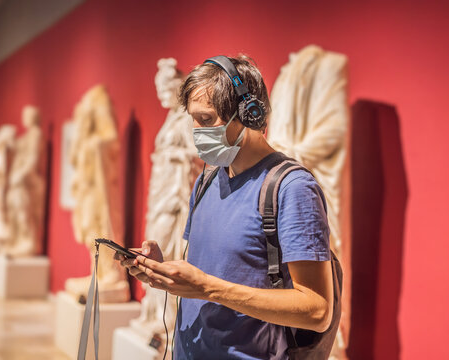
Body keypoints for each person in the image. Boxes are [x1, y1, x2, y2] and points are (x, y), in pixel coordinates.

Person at [118, 55, 336, 359]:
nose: (196, 131)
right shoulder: (206, 180)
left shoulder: (292, 188)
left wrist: (207, 288)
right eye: (192, 119)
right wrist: (162, 270)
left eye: (206, 120)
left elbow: (317, 310)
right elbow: (213, 269)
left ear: (249, 115)